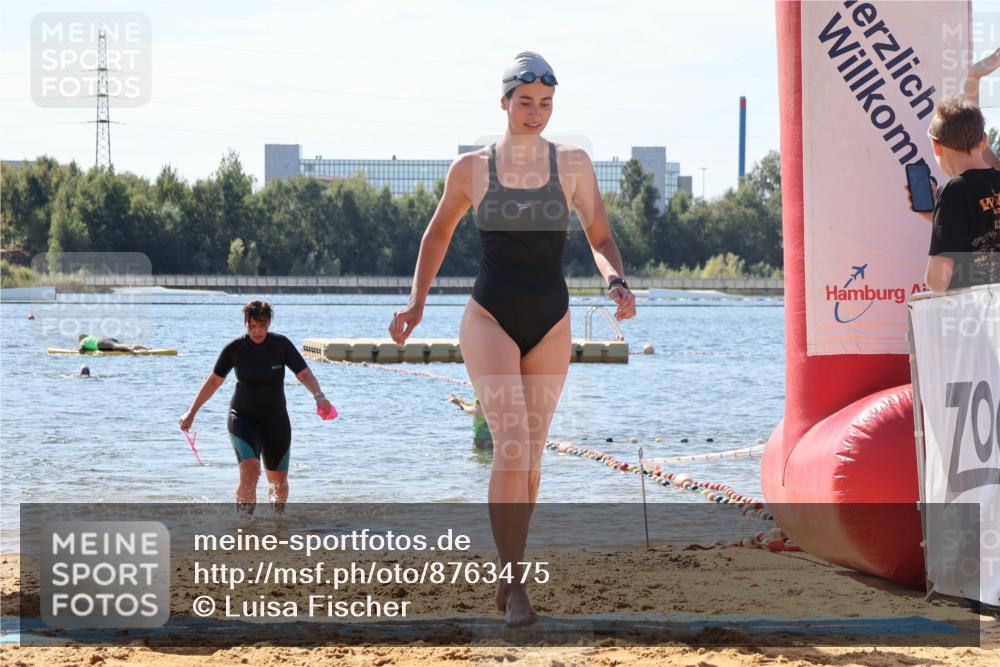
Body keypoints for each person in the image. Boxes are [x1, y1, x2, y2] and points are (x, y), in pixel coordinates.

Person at [389, 52, 636, 625]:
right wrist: (416, 303)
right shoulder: (472, 169)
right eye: (525, 102)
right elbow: (437, 234)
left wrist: (617, 281)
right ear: (504, 102)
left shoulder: (572, 164)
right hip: (489, 319)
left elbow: (600, 235)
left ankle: (510, 569)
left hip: (551, 322)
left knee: (532, 456)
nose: (536, 113)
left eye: (545, 103)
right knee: (512, 446)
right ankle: (516, 581)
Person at [178, 300, 332, 514]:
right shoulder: (235, 349)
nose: (257, 331)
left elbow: (304, 374)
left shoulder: (281, 345)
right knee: (250, 471)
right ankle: (244, 523)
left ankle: (278, 523)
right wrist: (192, 412)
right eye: (252, 326)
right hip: (242, 418)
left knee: (279, 483)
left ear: (269, 323)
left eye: (262, 325)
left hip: (276, 421)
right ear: (245, 324)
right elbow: (213, 381)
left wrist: (319, 396)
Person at [923, 96, 1000, 292]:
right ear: (984, 140)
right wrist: (936, 217)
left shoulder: (953, 192)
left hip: (981, 308)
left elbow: (938, 282)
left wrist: (943, 214)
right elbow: (983, 221)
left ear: (936, 146)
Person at [77, 334, 149, 353]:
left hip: (101, 343)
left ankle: (129, 349)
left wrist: (81, 351)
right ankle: (144, 348)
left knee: (115, 346)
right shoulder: (91, 337)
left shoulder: (83, 340)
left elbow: (81, 348)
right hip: (105, 340)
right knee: (120, 346)